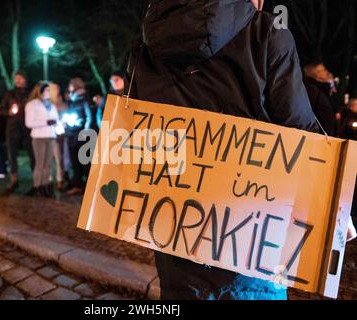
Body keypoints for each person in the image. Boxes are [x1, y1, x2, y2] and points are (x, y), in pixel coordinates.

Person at [126, 0, 318, 300]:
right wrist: (335, 201)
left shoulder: (146, 43)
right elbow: (302, 131)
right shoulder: (267, 33)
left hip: (175, 231)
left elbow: (138, 134)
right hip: (251, 243)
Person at [0, 70, 34, 192]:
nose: (17, 80)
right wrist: (8, 112)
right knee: (12, 154)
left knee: (32, 153)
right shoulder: (9, 94)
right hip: (12, 127)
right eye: (16, 78)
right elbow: (1, 109)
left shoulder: (30, 94)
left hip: (27, 127)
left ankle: (36, 180)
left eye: (20, 78)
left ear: (25, 79)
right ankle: (14, 179)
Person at [25, 82, 60, 198]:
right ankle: (37, 186)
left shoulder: (52, 105)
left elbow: (56, 120)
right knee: (40, 163)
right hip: (38, 137)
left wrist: (58, 126)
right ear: (40, 91)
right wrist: (46, 122)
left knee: (48, 164)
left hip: (51, 136)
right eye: (47, 90)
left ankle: (46, 186)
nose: (49, 92)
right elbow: (29, 123)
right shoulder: (31, 105)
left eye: (49, 90)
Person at [64, 78, 93, 196]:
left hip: (81, 135)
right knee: (74, 161)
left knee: (84, 161)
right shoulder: (73, 99)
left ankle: (88, 186)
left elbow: (89, 116)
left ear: (75, 85)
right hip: (71, 133)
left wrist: (85, 130)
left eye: (70, 85)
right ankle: (77, 184)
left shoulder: (85, 98)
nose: (69, 87)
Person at [304, 62, 340, 136]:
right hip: (315, 138)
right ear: (316, 75)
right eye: (322, 70)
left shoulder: (325, 91)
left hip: (324, 137)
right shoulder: (312, 90)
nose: (326, 72)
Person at [50, 83, 68, 191]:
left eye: (58, 89)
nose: (57, 91)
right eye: (55, 89)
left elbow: (65, 111)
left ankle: (60, 180)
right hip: (48, 134)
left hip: (59, 133)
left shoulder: (61, 102)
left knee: (58, 158)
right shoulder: (47, 103)